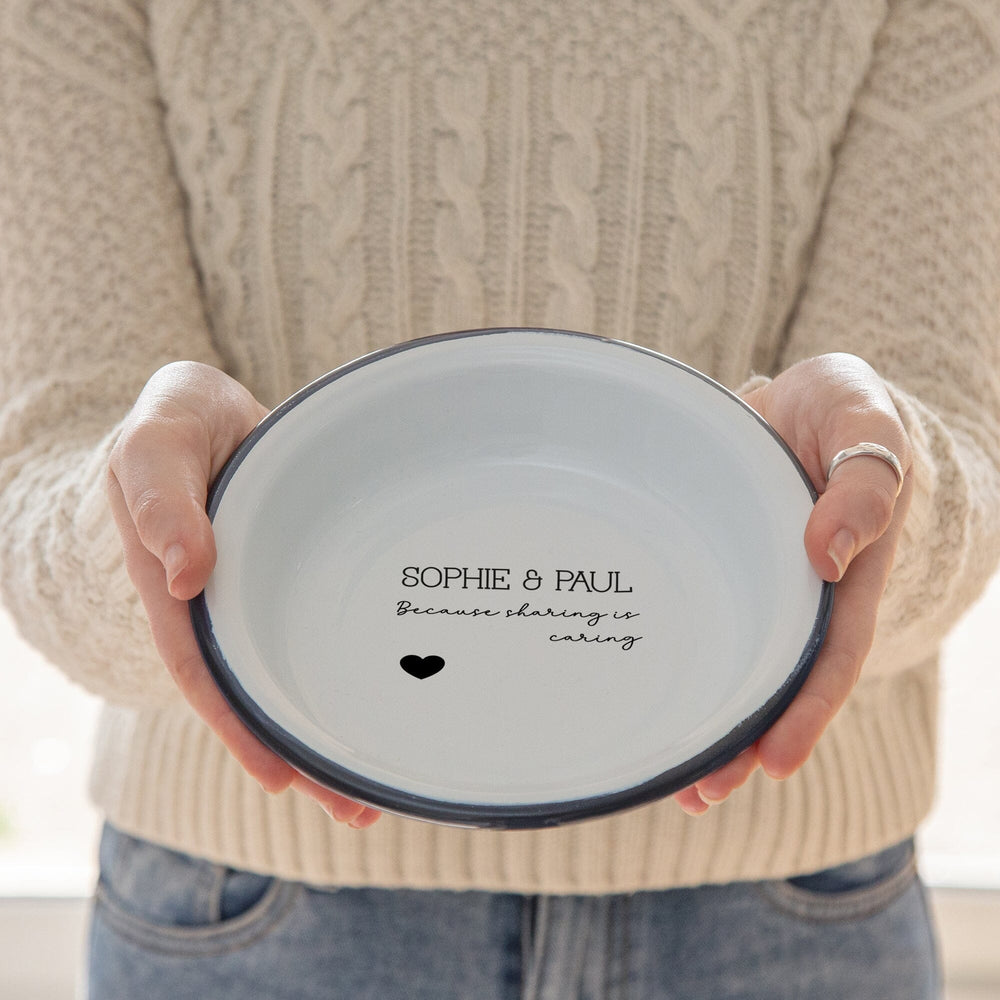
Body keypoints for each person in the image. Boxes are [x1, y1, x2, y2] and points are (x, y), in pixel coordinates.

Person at [2, 1, 998, 997]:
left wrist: (873, 482)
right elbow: (46, 477)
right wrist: (144, 519)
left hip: (788, 912)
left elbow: (948, 452)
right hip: (252, 915)